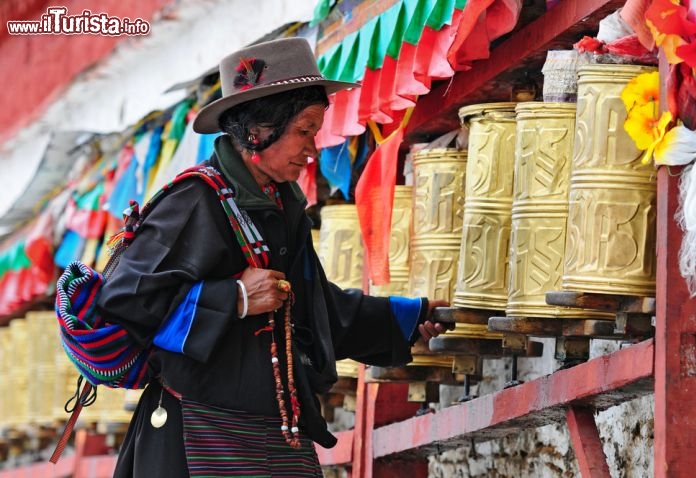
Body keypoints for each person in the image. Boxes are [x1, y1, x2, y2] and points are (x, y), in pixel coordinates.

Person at [98, 37, 452, 477]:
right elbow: (123, 302)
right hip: (197, 433)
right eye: (304, 131)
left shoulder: (281, 209)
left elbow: (314, 310)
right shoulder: (194, 202)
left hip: (275, 434)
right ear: (257, 132)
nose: (312, 148)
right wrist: (234, 298)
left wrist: (409, 317)